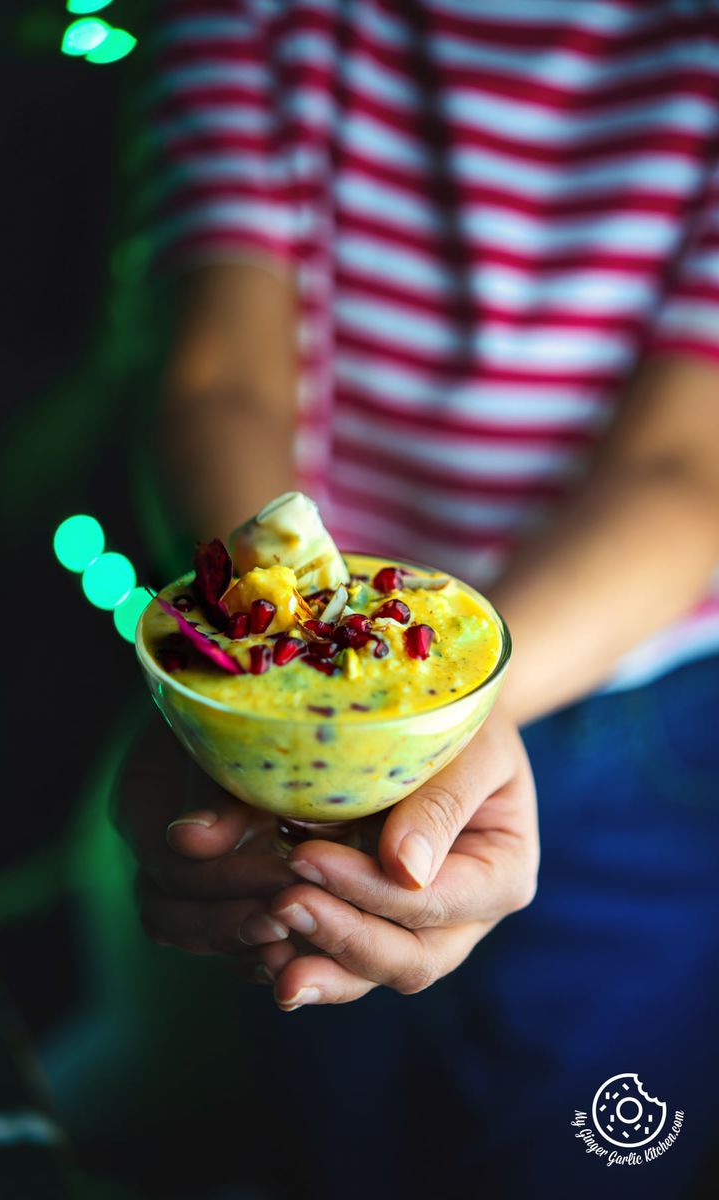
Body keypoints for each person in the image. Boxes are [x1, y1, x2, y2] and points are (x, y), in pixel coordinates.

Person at [114, 3, 719, 1196]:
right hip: (297, 737)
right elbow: (216, 375)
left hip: (642, 732)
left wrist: (462, 709)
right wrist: (263, 698)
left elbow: (684, 470)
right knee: (331, 1130)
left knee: (590, 1150)